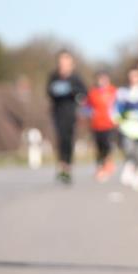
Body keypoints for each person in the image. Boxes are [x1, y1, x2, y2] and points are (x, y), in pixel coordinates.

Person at [46, 50, 87, 184]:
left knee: (68, 139)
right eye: (61, 62)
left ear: (71, 64)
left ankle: (68, 166)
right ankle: (61, 165)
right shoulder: (54, 77)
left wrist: (74, 94)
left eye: (66, 62)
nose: (63, 65)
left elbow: (83, 93)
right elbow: (49, 92)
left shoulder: (76, 78)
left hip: (71, 113)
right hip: (57, 112)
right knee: (60, 138)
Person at [85, 71, 118, 181]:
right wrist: (89, 113)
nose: (102, 81)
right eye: (100, 79)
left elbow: (119, 105)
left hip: (109, 124)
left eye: (104, 79)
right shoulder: (92, 93)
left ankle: (107, 165)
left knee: (107, 145)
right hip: (96, 124)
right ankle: (100, 167)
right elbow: (86, 107)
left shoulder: (114, 91)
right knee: (99, 147)